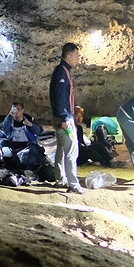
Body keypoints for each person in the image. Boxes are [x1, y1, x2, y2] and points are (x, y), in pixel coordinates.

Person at [49, 43, 85, 194]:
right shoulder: (61, 72)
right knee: (71, 151)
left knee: (62, 150)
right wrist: (65, 116)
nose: (78, 59)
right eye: (76, 55)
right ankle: (73, 184)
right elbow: (58, 96)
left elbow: (63, 97)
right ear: (68, 56)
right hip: (64, 119)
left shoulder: (63, 71)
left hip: (62, 116)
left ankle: (60, 179)